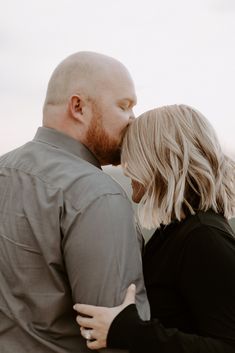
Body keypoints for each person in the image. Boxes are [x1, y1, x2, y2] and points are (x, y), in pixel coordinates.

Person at [0, 52, 150, 353]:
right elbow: (117, 338)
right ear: (78, 107)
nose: (134, 120)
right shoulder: (97, 195)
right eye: (125, 106)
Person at [74, 104, 235, 353]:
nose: (123, 167)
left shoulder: (204, 238)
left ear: (159, 159)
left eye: (132, 155)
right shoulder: (175, 230)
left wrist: (126, 330)